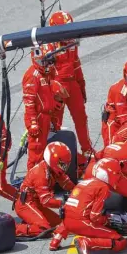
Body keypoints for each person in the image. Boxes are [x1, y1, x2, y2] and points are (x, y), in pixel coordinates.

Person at [49, 158, 127, 254]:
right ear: (108, 174)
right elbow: (94, 217)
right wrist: (107, 220)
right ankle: (87, 242)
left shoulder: (84, 182)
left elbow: (71, 209)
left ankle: (55, 241)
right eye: (117, 174)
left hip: (66, 221)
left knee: (72, 213)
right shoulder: (103, 187)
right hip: (82, 223)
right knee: (121, 241)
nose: (118, 176)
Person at [48, 11, 94, 160]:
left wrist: (82, 85)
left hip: (72, 83)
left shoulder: (72, 42)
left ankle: (87, 149)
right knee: (55, 122)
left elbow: (76, 64)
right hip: (56, 88)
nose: (69, 34)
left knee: (81, 117)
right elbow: (44, 73)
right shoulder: (47, 46)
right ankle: (51, 151)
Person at [22, 43, 69, 170]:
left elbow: (48, 95)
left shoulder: (45, 74)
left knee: (42, 150)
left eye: (50, 61)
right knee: (36, 152)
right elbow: (29, 101)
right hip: (37, 118)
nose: (49, 65)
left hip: (45, 117)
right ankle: (32, 183)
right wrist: (33, 122)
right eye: (47, 61)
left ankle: (41, 177)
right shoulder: (32, 76)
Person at [15, 142, 74, 237]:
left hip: (36, 203)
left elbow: (68, 185)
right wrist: (64, 204)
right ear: (54, 161)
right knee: (44, 229)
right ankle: (13, 229)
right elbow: (46, 201)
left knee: (60, 223)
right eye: (62, 164)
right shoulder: (40, 174)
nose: (64, 167)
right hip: (26, 204)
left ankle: (31, 221)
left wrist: (81, 193)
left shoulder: (54, 169)